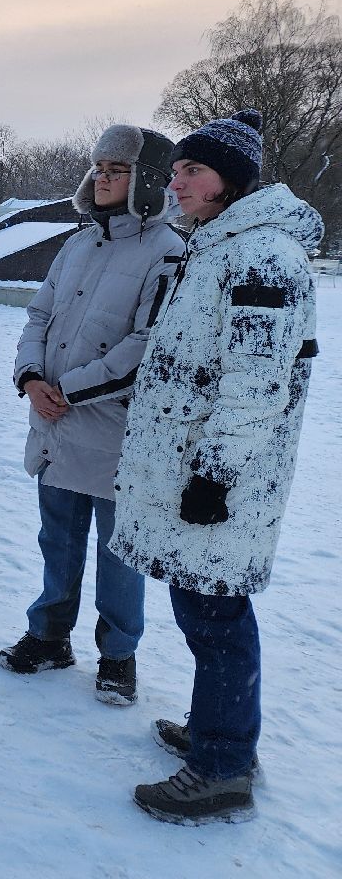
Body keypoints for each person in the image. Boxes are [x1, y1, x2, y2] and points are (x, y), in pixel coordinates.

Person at [110, 110, 321, 824]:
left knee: (217, 617)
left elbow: (255, 386)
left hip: (223, 483)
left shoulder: (264, 257)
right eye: (174, 172)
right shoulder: (219, 247)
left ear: (230, 183)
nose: (176, 183)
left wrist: (215, 474)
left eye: (191, 171)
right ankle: (217, 733)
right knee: (203, 612)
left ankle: (225, 764)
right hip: (192, 471)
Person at [0, 124, 185, 705]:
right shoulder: (77, 245)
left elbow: (147, 346)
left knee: (118, 552)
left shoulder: (169, 252)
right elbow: (37, 318)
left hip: (116, 434)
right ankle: (49, 635)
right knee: (57, 539)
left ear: (146, 180)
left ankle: (118, 655)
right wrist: (31, 379)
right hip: (53, 425)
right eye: (98, 167)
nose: (101, 178)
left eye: (117, 169)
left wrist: (68, 391)